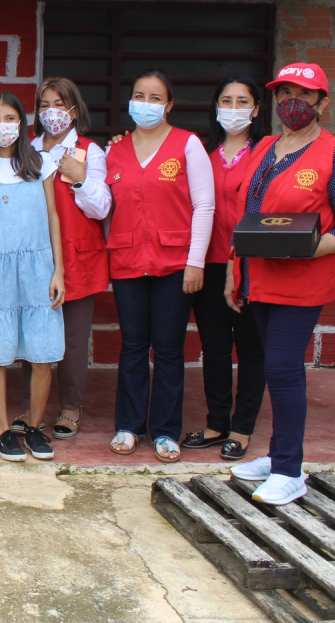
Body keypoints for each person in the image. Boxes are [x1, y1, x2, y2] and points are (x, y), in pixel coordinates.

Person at [227, 63, 335, 505]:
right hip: (260, 279)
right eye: (284, 92)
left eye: (303, 95)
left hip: (300, 283)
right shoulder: (267, 146)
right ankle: (279, 454)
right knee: (275, 368)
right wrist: (238, 276)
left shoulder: (334, 153)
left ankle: (290, 472)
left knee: (283, 369)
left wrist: (305, 247)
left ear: (322, 103)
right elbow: (252, 214)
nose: (292, 102)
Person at [106, 70, 215, 463]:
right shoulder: (114, 150)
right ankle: (129, 425)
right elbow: (104, 206)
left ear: (169, 105)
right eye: (139, 95)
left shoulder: (188, 145)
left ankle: (166, 430)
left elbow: (205, 205)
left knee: (168, 350)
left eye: (155, 97)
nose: (146, 104)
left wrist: (195, 261)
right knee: (133, 347)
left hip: (174, 263)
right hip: (127, 260)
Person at [0, 92, 66, 462]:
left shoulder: (42, 163)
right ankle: (3, 430)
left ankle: (35, 427)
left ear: (22, 122)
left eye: (9, 117)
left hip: (39, 267)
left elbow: (54, 217)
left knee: (41, 354)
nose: (1, 125)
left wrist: (59, 270)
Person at [19, 78, 110, 439]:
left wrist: (79, 179)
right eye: (44, 104)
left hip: (77, 256)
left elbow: (101, 208)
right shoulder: (27, 150)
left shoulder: (91, 151)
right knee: (32, 338)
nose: (51, 112)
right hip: (33, 256)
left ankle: (70, 407)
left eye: (59, 103)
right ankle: (31, 408)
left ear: (74, 110)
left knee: (72, 339)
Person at [182, 76, 268, 462]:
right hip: (209, 263)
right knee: (214, 348)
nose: (233, 108)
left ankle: (242, 427)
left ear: (255, 109)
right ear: (215, 107)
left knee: (250, 349)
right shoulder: (202, 152)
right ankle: (217, 422)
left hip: (251, 265)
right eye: (226, 101)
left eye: (242, 101)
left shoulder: (268, 152)